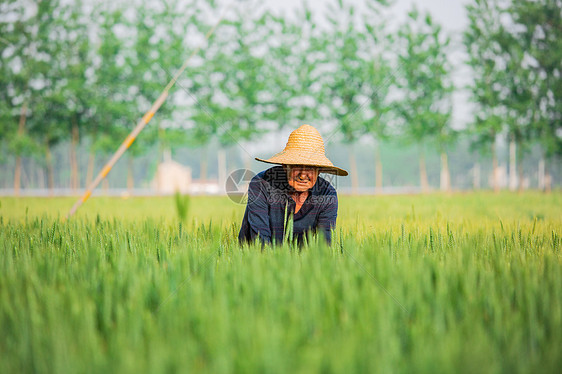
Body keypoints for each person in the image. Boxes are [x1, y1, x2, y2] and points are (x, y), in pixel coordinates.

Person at [238, 124, 348, 246]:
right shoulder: (262, 183)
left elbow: (325, 243)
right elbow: (259, 239)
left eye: (311, 167)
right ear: (285, 166)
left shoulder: (327, 193)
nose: (303, 175)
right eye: (297, 165)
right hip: (257, 261)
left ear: (320, 170)